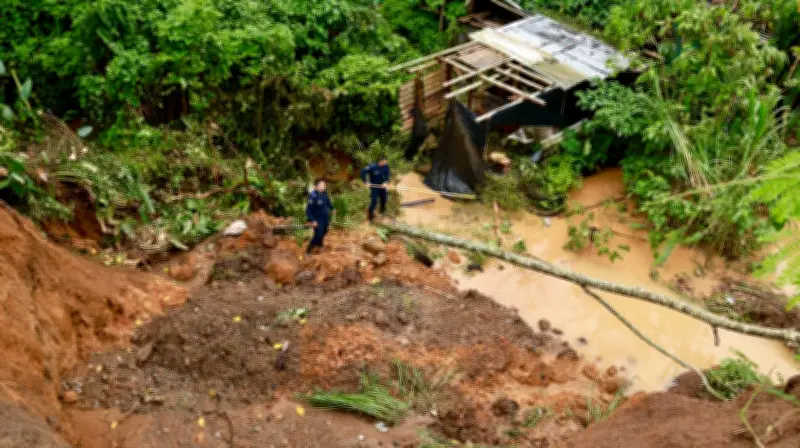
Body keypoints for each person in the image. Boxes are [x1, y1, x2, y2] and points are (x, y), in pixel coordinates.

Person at [305, 178, 335, 254]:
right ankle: (308, 250)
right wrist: (312, 220)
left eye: (323, 185)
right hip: (317, 219)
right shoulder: (313, 196)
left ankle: (319, 245)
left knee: (325, 231)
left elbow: (328, 202)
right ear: (316, 186)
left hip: (325, 218)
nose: (322, 187)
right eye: (320, 185)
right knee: (318, 234)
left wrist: (332, 208)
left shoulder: (324, 193)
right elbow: (308, 210)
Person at [360, 156, 390, 222]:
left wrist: (386, 182)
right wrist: (366, 182)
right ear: (381, 161)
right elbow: (362, 172)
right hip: (374, 187)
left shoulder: (386, 167)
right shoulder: (372, 166)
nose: (386, 163)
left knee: (384, 200)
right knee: (374, 201)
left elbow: (387, 175)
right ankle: (370, 216)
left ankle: (382, 214)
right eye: (385, 161)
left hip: (382, 188)